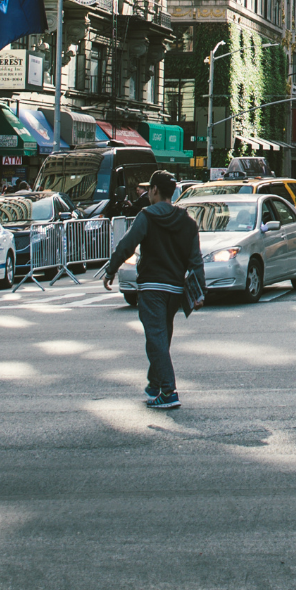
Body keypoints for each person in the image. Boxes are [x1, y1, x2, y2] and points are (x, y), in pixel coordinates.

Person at [103, 170, 204, 411]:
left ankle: (168, 390)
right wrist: (200, 291)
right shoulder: (188, 222)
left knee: (155, 339)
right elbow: (196, 260)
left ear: (155, 190)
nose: (148, 192)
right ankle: (154, 384)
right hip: (175, 290)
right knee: (161, 337)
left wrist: (111, 270)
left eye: (149, 189)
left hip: (151, 287)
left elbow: (127, 244)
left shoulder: (146, 216)